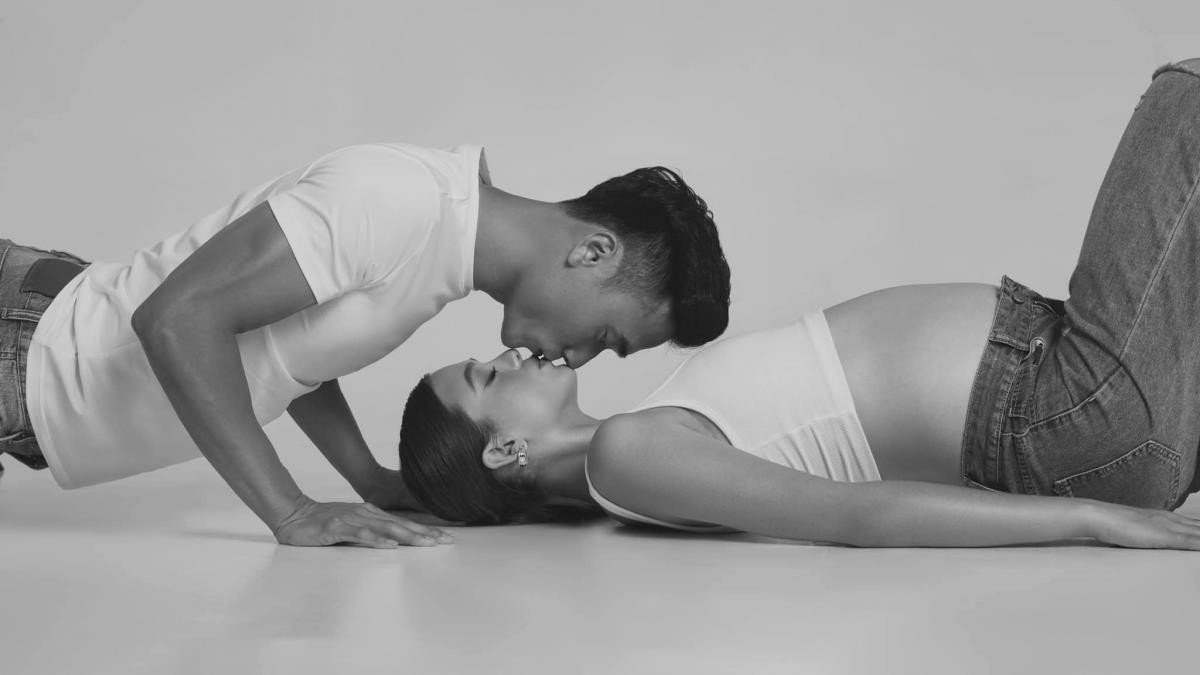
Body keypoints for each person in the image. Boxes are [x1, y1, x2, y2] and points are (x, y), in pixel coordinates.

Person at [398, 59, 1200, 550]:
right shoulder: (624, 455)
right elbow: (857, 517)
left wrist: (385, 481)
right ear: (505, 450)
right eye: (485, 377)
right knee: (1183, 100)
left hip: (1079, 408)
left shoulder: (638, 448)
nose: (506, 352)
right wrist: (1095, 519)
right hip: (1066, 414)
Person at [0, 144, 732, 548]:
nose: (577, 361)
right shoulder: (397, 202)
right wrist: (289, 510)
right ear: (594, 251)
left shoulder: (437, 253)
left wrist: (369, 480)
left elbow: (289, 351)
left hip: (34, 379)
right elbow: (176, 320)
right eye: (605, 337)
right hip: (28, 341)